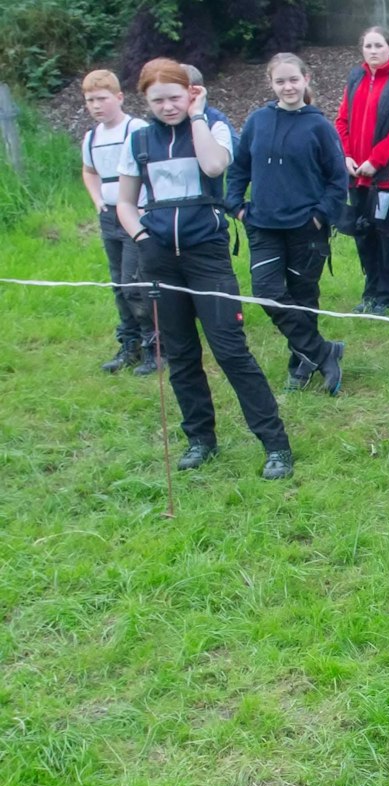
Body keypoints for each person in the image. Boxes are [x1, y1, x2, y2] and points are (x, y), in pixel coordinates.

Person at [116, 57, 294, 481]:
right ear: (146, 100)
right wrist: (142, 238)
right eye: (157, 100)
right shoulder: (139, 141)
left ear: (191, 93)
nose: (167, 107)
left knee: (231, 351)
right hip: (160, 256)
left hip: (208, 255)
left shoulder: (212, 126)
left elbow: (215, 166)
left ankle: (275, 445)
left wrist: (196, 117)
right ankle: (200, 439)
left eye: (175, 97)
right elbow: (124, 202)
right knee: (180, 354)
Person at [226, 52, 349, 395]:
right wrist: (235, 205)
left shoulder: (319, 126)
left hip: (305, 227)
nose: (288, 86)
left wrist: (319, 215)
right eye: (280, 81)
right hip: (262, 225)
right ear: (271, 84)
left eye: (293, 79)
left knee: (302, 296)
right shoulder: (257, 122)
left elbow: (338, 179)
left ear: (306, 79)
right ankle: (324, 352)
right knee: (267, 292)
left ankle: (302, 363)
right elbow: (239, 168)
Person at [334, 26, 389, 315]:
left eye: (379, 45)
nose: (374, 51)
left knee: (388, 235)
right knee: (363, 233)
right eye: (368, 46)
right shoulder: (355, 77)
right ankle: (372, 289)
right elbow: (342, 120)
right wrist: (347, 156)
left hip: (385, 177)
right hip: (357, 175)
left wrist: (376, 160)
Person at [79, 69, 147, 374]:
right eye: (90, 100)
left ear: (118, 97)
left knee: (137, 283)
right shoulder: (91, 137)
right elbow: (89, 170)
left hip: (137, 214)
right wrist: (97, 201)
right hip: (109, 217)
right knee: (119, 283)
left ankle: (156, 346)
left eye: (102, 98)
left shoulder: (136, 129)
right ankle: (129, 345)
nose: (96, 105)